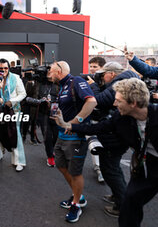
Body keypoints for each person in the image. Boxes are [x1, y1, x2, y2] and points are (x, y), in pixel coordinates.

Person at [53, 78, 158, 227]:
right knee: (130, 202)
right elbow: (98, 128)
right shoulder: (120, 117)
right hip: (148, 165)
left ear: (133, 103)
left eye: (118, 101)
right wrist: (69, 125)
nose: (114, 104)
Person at [47, 61, 97, 223]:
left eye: (51, 71)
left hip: (76, 137)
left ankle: (76, 204)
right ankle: (78, 196)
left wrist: (75, 121)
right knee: (61, 166)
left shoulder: (77, 81)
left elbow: (91, 101)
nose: (49, 74)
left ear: (59, 71)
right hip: (62, 135)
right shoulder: (61, 86)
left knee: (75, 172)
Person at [87, 61, 139, 217]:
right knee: (113, 169)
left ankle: (122, 206)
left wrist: (94, 85)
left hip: (115, 136)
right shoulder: (125, 82)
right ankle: (118, 196)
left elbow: (98, 100)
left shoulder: (119, 84)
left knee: (110, 170)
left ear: (112, 74)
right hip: (118, 134)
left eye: (103, 74)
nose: (102, 77)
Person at [0, 58, 27, 172]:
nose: (3, 70)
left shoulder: (16, 78)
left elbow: (23, 94)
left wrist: (12, 101)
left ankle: (19, 161)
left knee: (15, 133)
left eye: (5, 68)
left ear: (9, 68)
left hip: (13, 110)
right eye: (1, 68)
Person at [87, 56, 106, 182]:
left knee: (103, 145)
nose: (92, 69)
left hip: (104, 118)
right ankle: (98, 169)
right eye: (91, 66)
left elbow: (102, 99)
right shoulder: (86, 79)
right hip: (91, 117)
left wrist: (94, 86)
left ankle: (103, 168)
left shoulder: (107, 82)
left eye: (95, 67)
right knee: (93, 143)